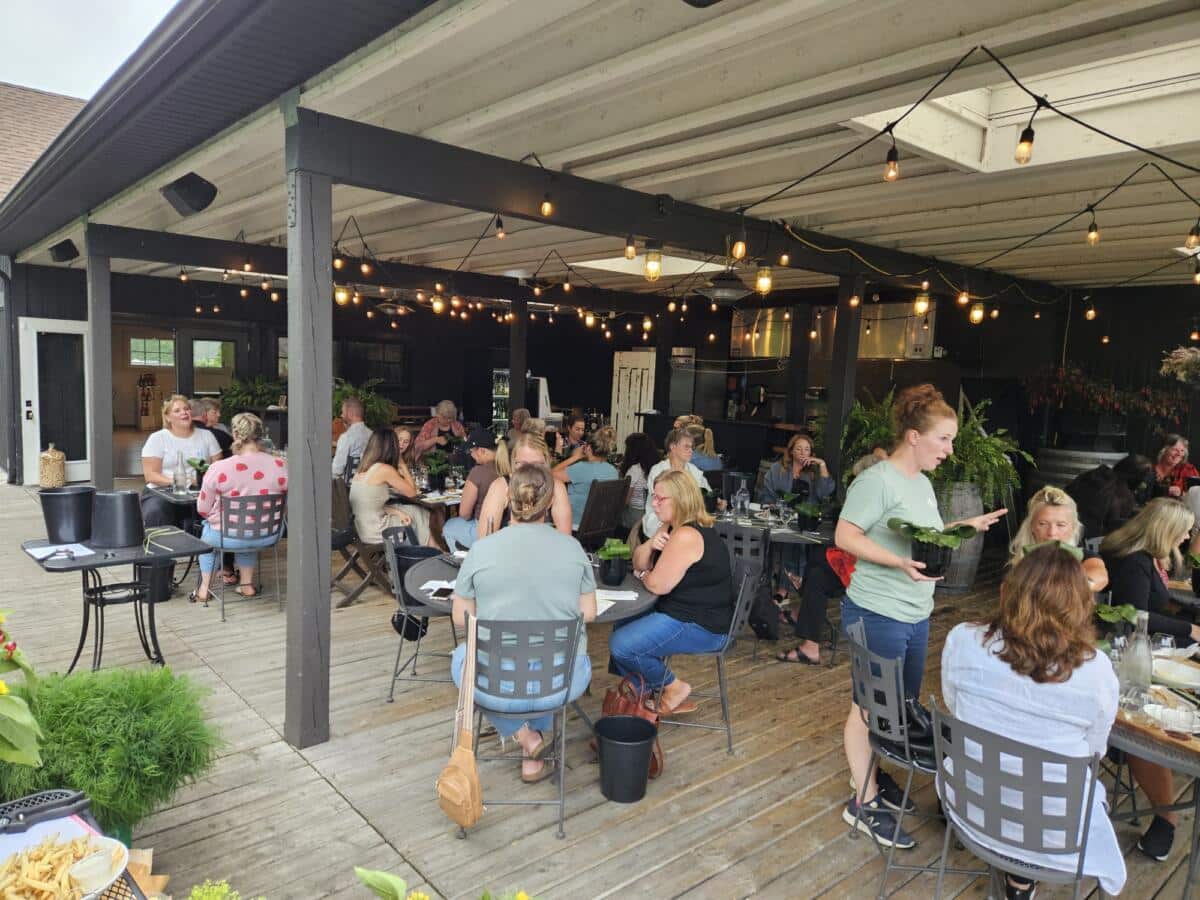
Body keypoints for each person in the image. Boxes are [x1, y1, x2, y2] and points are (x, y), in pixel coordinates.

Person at [836, 383, 1006, 849]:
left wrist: (960, 528)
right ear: (913, 436)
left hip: (915, 612)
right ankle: (862, 802)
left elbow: (919, 538)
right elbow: (845, 535)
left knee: (898, 706)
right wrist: (896, 564)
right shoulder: (876, 481)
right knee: (868, 707)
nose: (950, 450)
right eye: (944, 440)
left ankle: (870, 774)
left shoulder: (922, 483)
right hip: (877, 610)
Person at [941, 544, 1126, 899]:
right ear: (1080, 604)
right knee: (1077, 786)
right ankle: (1022, 878)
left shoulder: (963, 639)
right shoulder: (1096, 669)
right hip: (1053, 833)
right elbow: (1094, 751)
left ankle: (1017, 875)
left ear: (1008, 591)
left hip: (970, 804)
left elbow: (955, 706)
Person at [450, 462, 597, 783]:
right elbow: (589, 613)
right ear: (550, 503)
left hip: (496, 686)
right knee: (549, 656)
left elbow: (461, 618)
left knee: (462, 660)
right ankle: (531, 741)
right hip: (561, 683)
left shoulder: (482, 549)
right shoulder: (573, 549)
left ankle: (523, 736)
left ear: (507, 499)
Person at [1099, 496, 1198, 860]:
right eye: (1185, 530)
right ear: (1165, 529)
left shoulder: (1150, 557)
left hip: (1149, 647)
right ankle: (1166, 816)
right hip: (1124, 652)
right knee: (1149, 720)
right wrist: (1191, 627)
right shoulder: (1134, 562)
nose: (1188, 536)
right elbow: (1139, 615)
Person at [611, 470, 734, 715]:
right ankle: (642, 689)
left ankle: (673, 687)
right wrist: (649, 545)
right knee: (623, 621)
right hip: (683, 612)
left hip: (704, 625)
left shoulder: (687, 534)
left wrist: (644, 576)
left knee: (620, 645)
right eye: (653, 497)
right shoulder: (672, 526)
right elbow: (637, 561)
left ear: (681, 499)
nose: (653, 504)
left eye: (660, 499)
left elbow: (657, 585)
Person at [191, 413, 288, 604]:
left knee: (210, 538)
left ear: (235, 435)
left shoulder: (219, 468)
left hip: (226, 536)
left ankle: (204, 589)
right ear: (261, 435)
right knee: (249, 525)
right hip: (269, 534)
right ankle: (247, 585)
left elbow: (202, 508)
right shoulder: (281, 465)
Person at [141, 394, 222, 527]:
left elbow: (218, 467)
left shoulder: (207, 436)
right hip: (161, 491)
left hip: (198, 492)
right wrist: (182, 482)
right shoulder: (157, 438)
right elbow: (151, 476)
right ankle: (161, 546)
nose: (184, 412)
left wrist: (204, 481)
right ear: (167, 417)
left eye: (186, 409)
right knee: (157, 511)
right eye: (177, 410)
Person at [1008, 486, 1108, 590]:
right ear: (1031, 526)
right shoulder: (1021, 560)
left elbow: (1100, 577)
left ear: (1073, 528)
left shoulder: (1085, 557)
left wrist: (1069, 587)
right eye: (1043, 524)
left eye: (1061, 525)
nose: (1052, 533)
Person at [477, 433, 574, 537]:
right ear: (514, 463)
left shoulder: (557, 487)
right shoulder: (501, 486)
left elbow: (565, 537)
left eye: (536, 464)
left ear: (547, 462)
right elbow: (485, 537)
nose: (529, 471)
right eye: (523, 464)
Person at [349, 429, 432, 546]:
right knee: (419, 512)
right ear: (391, 447)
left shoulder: (363, 468)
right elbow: (412, 493)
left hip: (363, 528)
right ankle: (429, 551)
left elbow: (371, 506)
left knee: (413, 511)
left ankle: (430, 549)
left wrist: (398, 512)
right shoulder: (384, 469)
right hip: (377, 531)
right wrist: (402, 465)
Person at [1065, 453, 1152, 539]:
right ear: (1136, 477)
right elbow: (1114, 526)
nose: (1143, 483)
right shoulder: (1122, 494)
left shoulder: (1095, 475)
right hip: (1092, 540)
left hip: (1069, 529)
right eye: (1143, 479)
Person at [641, 429, 708, 537]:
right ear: (673, 447)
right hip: (659, 523)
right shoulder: (658, 470)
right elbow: (661, 503)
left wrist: (717, 501)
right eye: (686, 446)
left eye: (692, 447)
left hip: (689, 524)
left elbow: (707, 494)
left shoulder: (694, 470)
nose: (691, 450)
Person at [442, 429, 500, 550]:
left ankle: (460, 564)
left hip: (483, 529)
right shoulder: (509, 466)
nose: (470, 455)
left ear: (481, 451)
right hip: (505, 528)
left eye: (471, 451)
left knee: (449, 526)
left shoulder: (478, 472)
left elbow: (464, 513)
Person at [562, 430, 619, 529]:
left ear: (588, 447)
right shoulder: (613, 470)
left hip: (576, 524)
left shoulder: (580, 468)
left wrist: (576, 457)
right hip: (601, 525)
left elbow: (551, 474)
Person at [759, 433, 834, 505]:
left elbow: (825, 494)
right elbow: (766, 493)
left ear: (810, 453)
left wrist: (822, 464)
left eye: (806, 449)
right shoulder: (777, 468)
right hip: (780, 514)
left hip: (806, 515)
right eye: (798, 449)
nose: (803, 452)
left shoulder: (815, 471)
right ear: (791, 451)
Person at [621, 432, 660, 531]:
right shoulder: (657, 467)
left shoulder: (634, 469)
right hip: (653, 516)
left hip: (634, 516)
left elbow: (625, 500)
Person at [332, 397, 371, 478]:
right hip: (368, 482)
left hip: (348, 486)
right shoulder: (372, 435)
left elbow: (337, 470)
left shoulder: (346, 437)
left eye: (342, 412)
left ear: (350, 414)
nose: (341, 415)